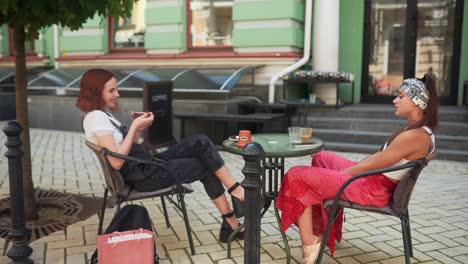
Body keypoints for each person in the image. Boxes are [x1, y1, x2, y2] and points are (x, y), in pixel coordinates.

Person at [276, 75, 438, 263]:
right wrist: (346, 171)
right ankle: (322, 229)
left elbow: (375, 164)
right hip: (373, 179)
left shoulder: (415, 136)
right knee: (321, 157)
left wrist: (343, 174)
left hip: (373, 189)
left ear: (417, 102)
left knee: (296, 175)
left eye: (401, 96)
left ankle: (310, 243)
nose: (395, 100)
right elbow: (378, 160)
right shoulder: (417, 130)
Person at [76, 68, 245, 243]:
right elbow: (116, 162)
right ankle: (232, 221)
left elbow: (124, 149)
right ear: (95, 92)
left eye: (116, 89)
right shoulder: (97, 118)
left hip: (146, 165)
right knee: (205, 166)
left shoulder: (101, 115)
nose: (117, 94)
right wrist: (133, 127)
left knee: (200, 142)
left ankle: (235, 192)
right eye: (111, 91)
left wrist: (137, 127)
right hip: (145, 177)